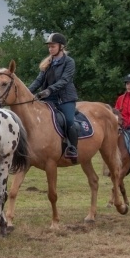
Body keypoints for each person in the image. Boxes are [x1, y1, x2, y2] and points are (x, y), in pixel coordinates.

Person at [28, 33, 79, 162]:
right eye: (49, 47)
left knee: (68, 120)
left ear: (61, 46)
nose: (50, 49)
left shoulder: (69, 62)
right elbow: (38, 80)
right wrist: (27, 93)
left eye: (53, 46)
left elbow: (64, 80)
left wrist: (49, 90)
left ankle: (72, 147)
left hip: (65, 98)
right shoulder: (47, 63)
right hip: (48, 98)